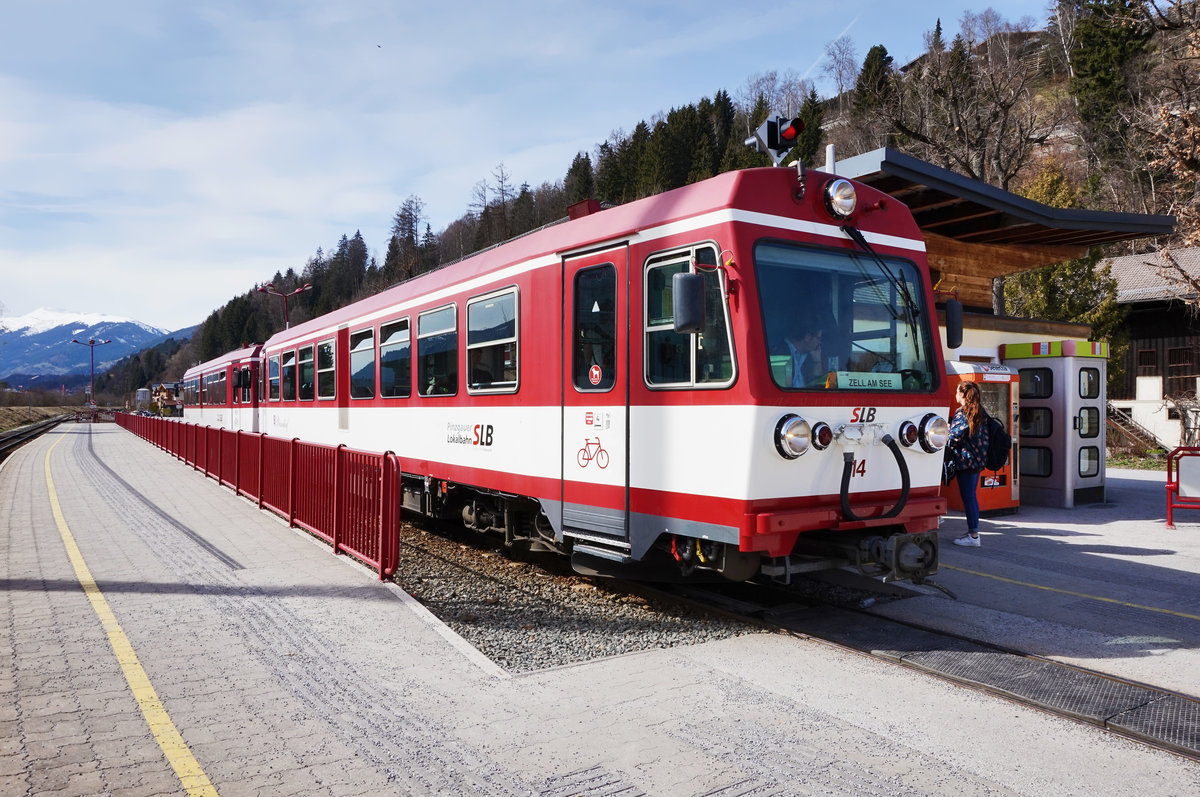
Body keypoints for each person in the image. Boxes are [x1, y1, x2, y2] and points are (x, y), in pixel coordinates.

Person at [948, 381, 990, 547]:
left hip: (966, 462)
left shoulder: (964, 413)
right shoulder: (980, 410)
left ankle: (973, 535)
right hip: (977, 461)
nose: (956, 394)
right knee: (971, 496)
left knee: (969, 497)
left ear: (963, 395)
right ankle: (973, 532)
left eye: (958, 391)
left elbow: (954, 436)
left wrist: (948, 429)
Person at [776, 322, 823, 388]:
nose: (819, 343)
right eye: (818, 338)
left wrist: (817, 361)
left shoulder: (809, 356)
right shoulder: (780, 354)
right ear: (808, 337)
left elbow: (817, 389)